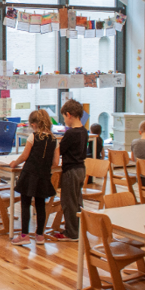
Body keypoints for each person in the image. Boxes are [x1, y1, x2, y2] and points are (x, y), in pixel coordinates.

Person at [8, 110, 59, 246]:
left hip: (29, 174)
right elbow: (56, 163)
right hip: (43, 176)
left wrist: (15, 163)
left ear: (33, 124)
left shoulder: (33, 137)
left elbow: (25, 156)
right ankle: (40, 235)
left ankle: (24, 235)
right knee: (40, 205)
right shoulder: (54, 140)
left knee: (25, 204)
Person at [56, 99, 88, 242]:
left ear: (69, 115)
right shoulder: (84, 131)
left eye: (64, 117)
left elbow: (60, 150)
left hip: (71, 170)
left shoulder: (71, 134)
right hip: (81, 169)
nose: (64, 121)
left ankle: (72, 232)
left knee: (68, 202)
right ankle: (78, 229)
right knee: (77, 201)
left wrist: (57, 143)